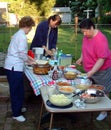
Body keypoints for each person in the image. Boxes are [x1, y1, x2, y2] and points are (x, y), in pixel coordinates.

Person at [76, 18, 111, 121]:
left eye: (85, 31)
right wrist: (81, 58)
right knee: (91, 88)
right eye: (82, 32)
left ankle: (104, 111)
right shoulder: (87, 36)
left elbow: (101, 59)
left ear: (92, 27)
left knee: (104, 90)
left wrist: (92, 72)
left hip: (102, 70)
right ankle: (93, 105)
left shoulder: (100, 40)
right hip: (90, 69)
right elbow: (84, 48)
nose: (84, 34)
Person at [4, 16, 35, 122]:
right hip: (13, 67)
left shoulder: (19, 34)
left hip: (14, 66)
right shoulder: (21, 36)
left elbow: (21, 52)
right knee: (16, 91)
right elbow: (22, 53)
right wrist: (30, 61)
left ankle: (18, 107)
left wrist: (29, 59)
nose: (30, 30)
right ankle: (16, 114)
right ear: (27, 26)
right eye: (30, 27)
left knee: (19, 89)